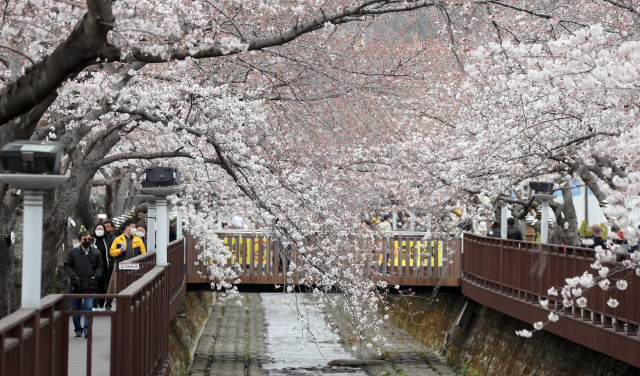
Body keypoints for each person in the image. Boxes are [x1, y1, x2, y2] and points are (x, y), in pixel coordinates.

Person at [64, 231, 103, 338]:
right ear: (79, 240)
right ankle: (78, 329)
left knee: (88, 307)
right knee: (75, 309)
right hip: (76, 284)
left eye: (89, 239)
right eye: (85, 239)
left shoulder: (96, 252)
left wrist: (94, 277)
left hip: (90, 284)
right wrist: (75, 277)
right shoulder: (73, 252)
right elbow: (67, 265)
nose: (87, 241)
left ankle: (87, 330)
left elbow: (100, 266)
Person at [93, 223, 115, 311]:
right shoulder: (91, 241)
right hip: (92, 268)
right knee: (93, 286)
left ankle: (101, 305)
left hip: (105, 268)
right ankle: (94, 305)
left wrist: (110, 263)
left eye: (101, 229)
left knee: (102, 287)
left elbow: (111, 254)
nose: (99, 230)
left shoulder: (108, 241)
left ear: (104, 230)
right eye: (97, 228)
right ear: (94, 230)